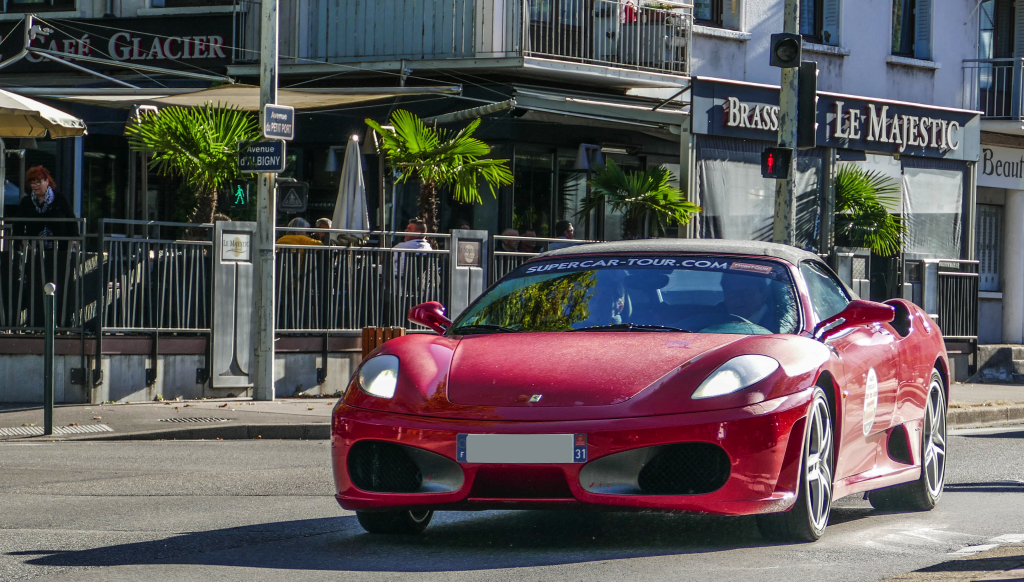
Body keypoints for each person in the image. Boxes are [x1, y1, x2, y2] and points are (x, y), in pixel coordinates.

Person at [16, 166, 77, 242]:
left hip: (59, 245)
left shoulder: (60, 198)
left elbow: (71, 220)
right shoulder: (26, 201)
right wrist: (21, 241)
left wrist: (74, 238)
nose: (35, 185)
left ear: (47, 181)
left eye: (38, 182)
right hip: (34, 246)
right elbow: (18, 223)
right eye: (32, 183)